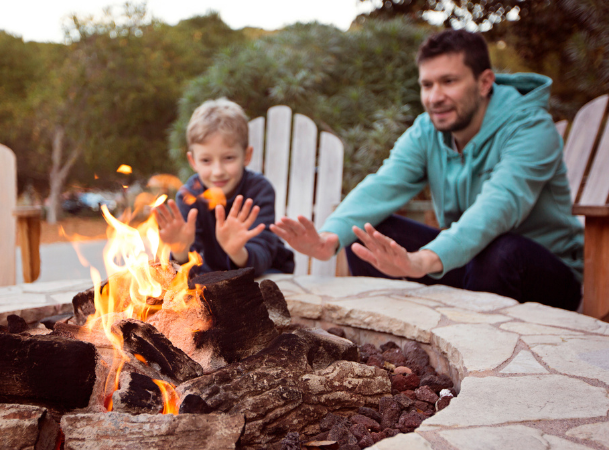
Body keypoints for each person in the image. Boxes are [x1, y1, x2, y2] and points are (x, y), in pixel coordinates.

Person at [271, 29, 583, 311]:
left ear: (485, 82)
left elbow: (499, 205)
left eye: (449, 81)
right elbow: (384, 184)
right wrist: (328, 239)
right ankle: (394, 347)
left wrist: (422, 260)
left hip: (544, 275)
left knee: (501, 251)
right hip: (471, 265)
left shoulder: (531, 127)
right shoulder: (427, 131)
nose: (435, 97)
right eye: (427, 84)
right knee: (366, 236)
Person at [154, 98, 295, 276]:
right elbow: (186, 271)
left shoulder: (259, 190)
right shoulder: (189, 196)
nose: (218, 171)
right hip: (216, 280)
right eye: (206, 160)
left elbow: (263, 253)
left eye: (228, 158)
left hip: (266, 276)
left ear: (246, 155)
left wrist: (237, 251)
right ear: (193, 161)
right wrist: (180, 250)